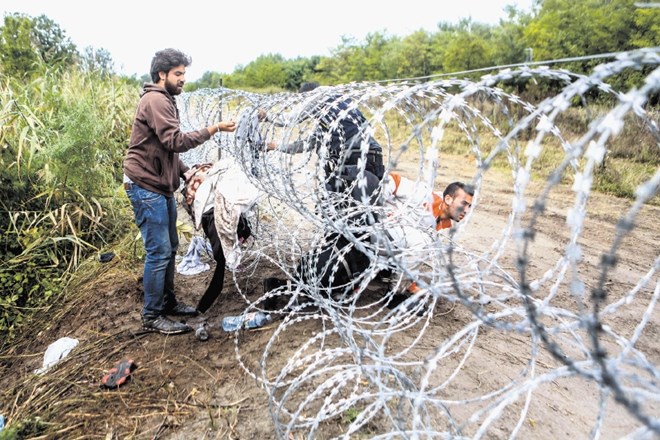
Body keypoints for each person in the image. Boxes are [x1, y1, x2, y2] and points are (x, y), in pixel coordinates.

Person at [123, 48, 236, 335]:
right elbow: (173, 141)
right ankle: (152, 315)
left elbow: (162, 148)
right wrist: (214, 129)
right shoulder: (156, 100)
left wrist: (184, 171)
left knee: (170, 247)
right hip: (145, 185)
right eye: (178, 73)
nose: (183, 78)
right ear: (162, 74)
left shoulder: (164, 99)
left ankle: (167, 303)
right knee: (159, 251)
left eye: (184, 73)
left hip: (158, 184)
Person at [378, 173, 474, 311]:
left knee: (427, 244)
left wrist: (411, 284)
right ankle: (395, 296)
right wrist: (375, 206)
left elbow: (413, 257)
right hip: (377, 228)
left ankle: (388, 272)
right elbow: (393, 179)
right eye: (463, 204)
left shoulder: (441, 221)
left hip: (390, 238)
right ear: (448, 199)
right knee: (422, 242)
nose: (466, 210)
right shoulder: (425, 196)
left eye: (469, 206)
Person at [262, 82, 386, 185]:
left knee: (351, 203)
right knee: (365, 202)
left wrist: (267, 116)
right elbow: (307, 144)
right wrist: (276, 146)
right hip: (372, 155)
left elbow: (291, 119)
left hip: (356, 156)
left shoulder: (319, 97)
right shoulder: (337, 108)